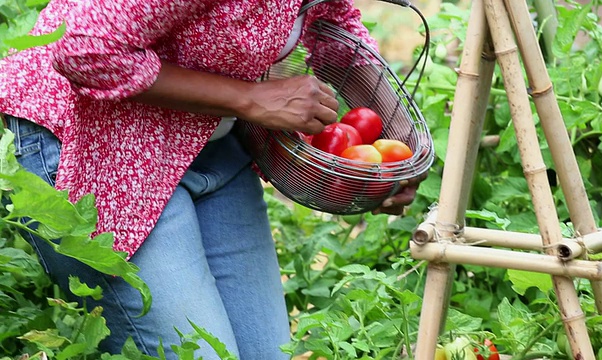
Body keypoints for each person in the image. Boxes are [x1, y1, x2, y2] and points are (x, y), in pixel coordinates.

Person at [0, 0, 425, 358]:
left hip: (209, 140)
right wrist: (250, 97)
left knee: (268, 353)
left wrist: (398, 146)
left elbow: (330, 21)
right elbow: (83, 48)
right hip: (99, 145)